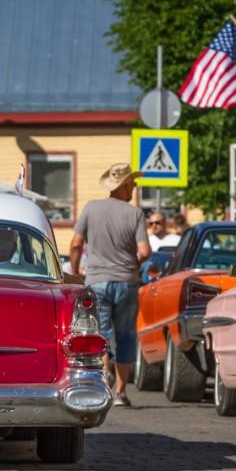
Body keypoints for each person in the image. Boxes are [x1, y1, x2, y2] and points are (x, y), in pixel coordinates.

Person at [69, 163, 151, 407]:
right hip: (126, 281)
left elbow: (75, 244)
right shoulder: (135, 214)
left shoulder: (91, 208)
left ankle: (104, 378)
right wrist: (133, 263)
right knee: (126, 336)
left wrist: (76, 274)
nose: (135, 187)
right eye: (132, 184)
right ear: (123, 186)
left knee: (100, 333)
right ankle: (121, 391)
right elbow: (145, 251)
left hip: (96, 281)